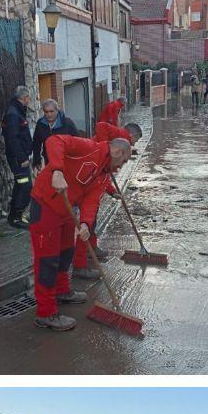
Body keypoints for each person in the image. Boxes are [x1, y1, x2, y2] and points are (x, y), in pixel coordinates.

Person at [27, 134, 132, 331]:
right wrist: (57, 170)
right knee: (47, 260)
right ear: (117, 151)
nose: (121, 166)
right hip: (46, 203)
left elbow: (91, 200)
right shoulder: (88, 148)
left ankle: (62, 291)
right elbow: (54, 140)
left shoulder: (103, 174)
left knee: (66, 253)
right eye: (123, 161)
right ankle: (46, 313)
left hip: (67, 209)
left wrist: (85, 223)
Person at [71, 122, 143, 278]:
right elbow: (100, 125)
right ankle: (80, 264)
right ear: (132, 136)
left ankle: (91, 248)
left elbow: (103, 176)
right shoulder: (121, 137)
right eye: (135, 141)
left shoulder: (118, 148)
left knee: (90, 223)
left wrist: (112, 192)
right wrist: (102, 148)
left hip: (93, 183)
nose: (133, 145)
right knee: (87, 225)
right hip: (83, 187)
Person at [2, 85, 34, 228]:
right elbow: (12, 139)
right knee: (25, 186)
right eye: (28, 98)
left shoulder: (16, 110)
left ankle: (13, 216)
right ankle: (17, 217)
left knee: (19, 186)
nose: (29, 100)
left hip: (19, 157)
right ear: (24, 98)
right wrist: (22, 159)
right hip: (18, 160)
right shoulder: (13, 114)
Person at [31, 99, 79, 170]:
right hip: (49, 160)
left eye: (51, 111)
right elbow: (36, 143)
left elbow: (77, 141)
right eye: (46, 112)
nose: (49, 114)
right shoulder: (40, 124)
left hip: (66, 159)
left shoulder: (67, 123)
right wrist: (37, 160)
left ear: (57, 110)